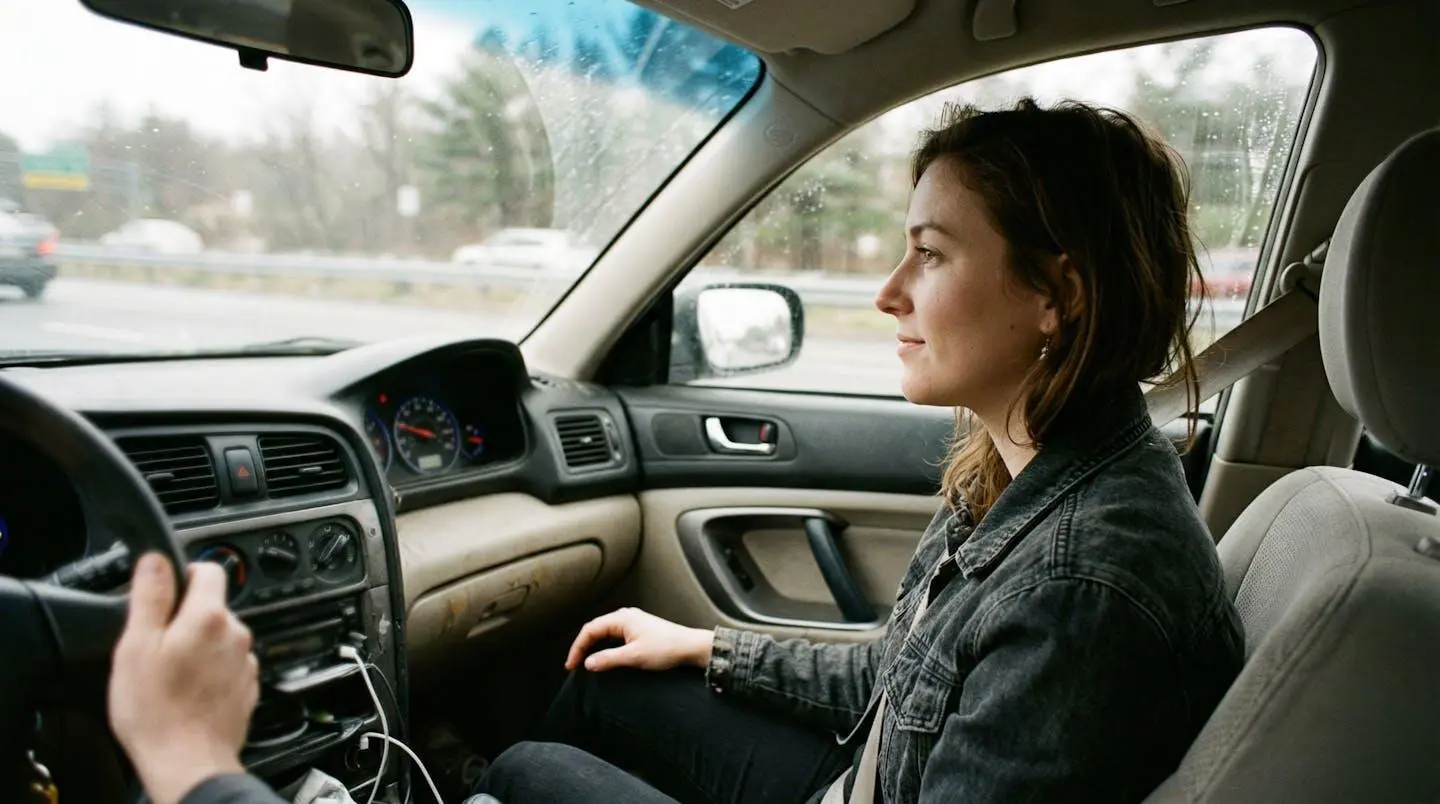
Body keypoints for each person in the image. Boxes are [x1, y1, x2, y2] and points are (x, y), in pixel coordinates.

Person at [471, 98, 1246, 803]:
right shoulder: (1025, 471)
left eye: (932, 254)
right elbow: (896, 681)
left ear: (1057, 295)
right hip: (865, 779)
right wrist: (706, 648)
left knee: (521, 774)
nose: (888, 291)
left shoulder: (1079, 588)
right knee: (610, 683)